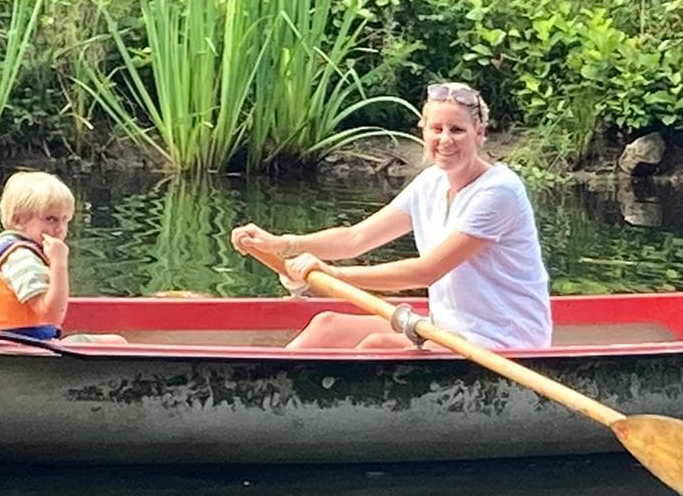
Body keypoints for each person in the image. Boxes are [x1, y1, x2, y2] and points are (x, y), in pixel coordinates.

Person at [230, 82, 552, 351]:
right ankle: (269, 400)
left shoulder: (499, 192)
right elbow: (356, 238)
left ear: (479, 134)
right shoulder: (430, 182)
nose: (444, 139)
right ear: (423, 130)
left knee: (376, 346)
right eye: (436, 129)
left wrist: (330, 276)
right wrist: (283, 244)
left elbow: (426, 272)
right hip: (446, 327)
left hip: (502, 340)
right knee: (326, 326)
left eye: (457, 130)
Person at [0, 171, 77, 341]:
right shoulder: (21, 258)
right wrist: (59, 263)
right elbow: (52, 317)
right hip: (19, 348)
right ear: (18, 220)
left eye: (65, 220)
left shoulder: (2, 248)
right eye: (51, 219)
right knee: (116, 341)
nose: (61, 229)